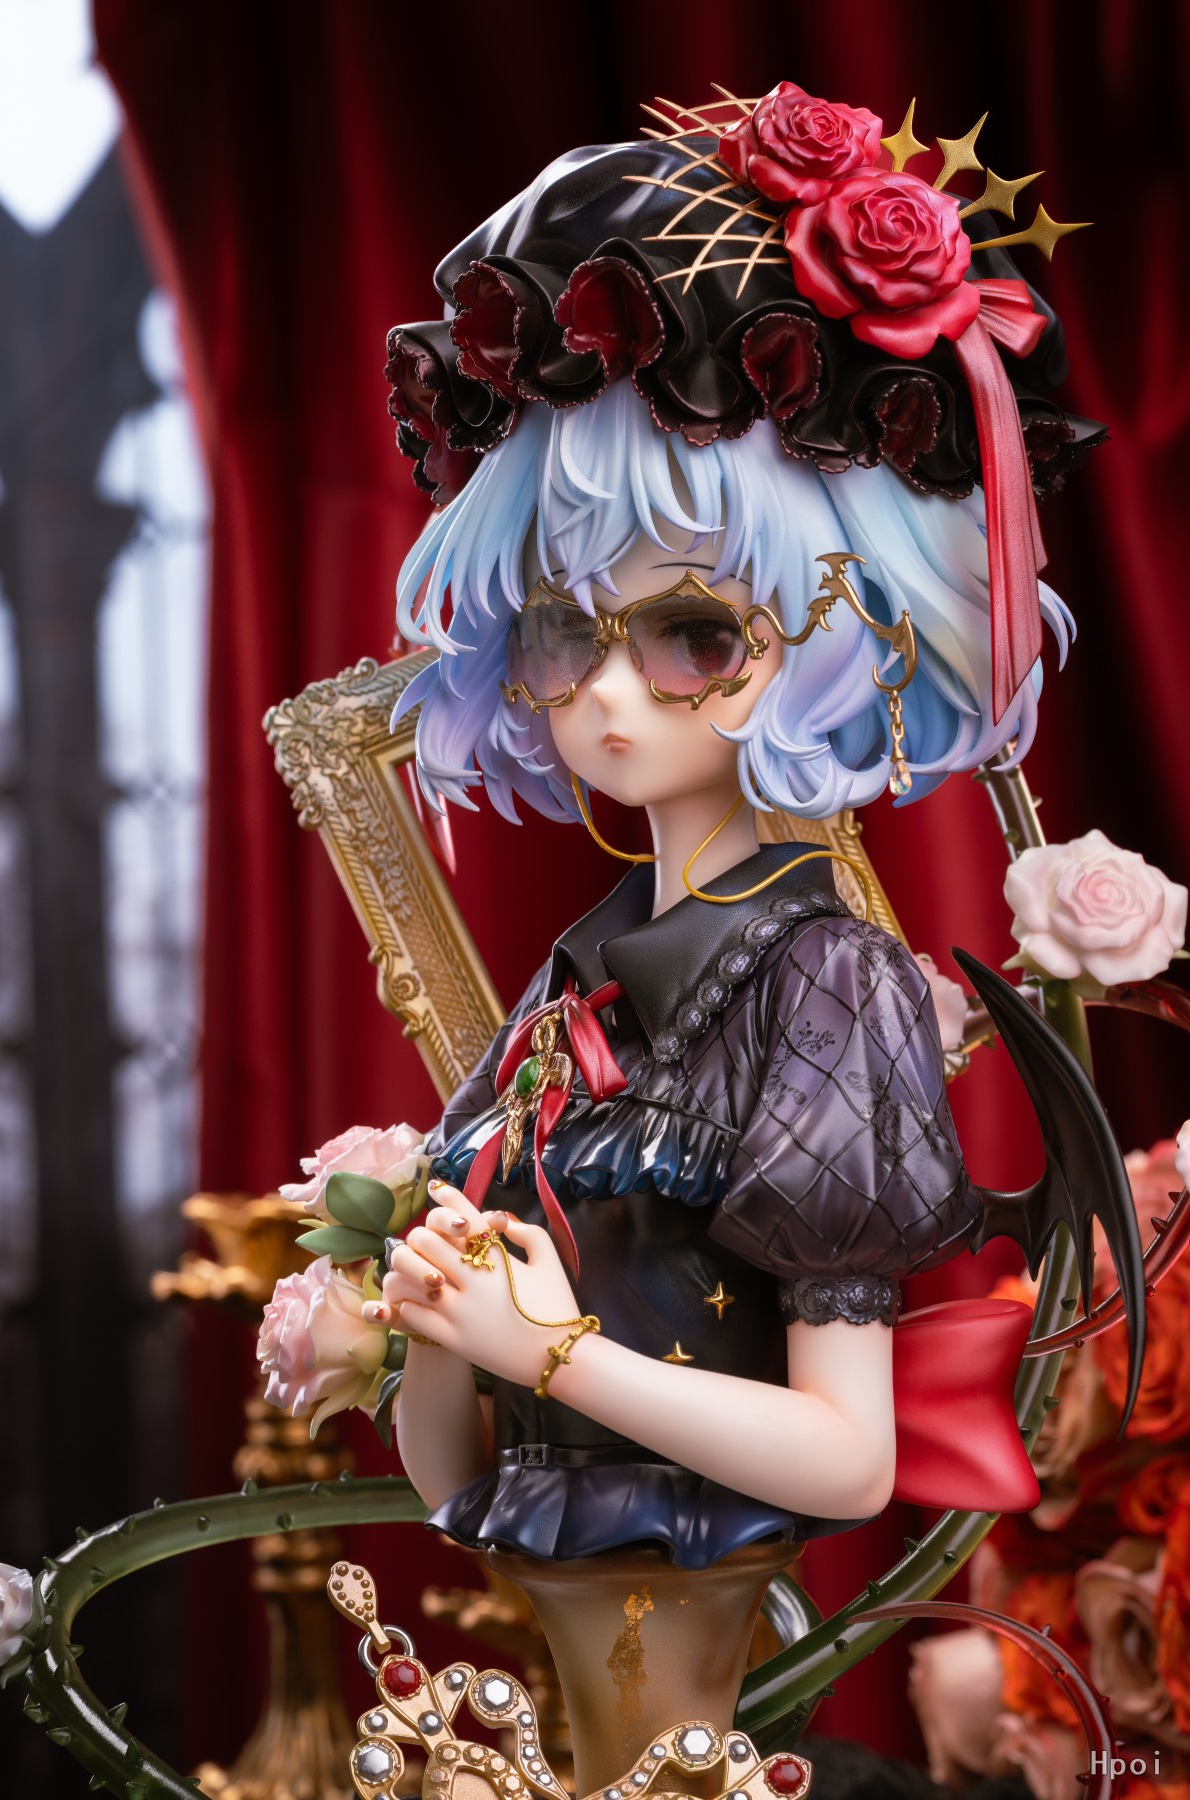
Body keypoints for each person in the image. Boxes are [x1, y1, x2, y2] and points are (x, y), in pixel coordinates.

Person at [356, 88, 1130, 1785]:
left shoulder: (824, 979)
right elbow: (450, 1478)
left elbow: (851, 1463)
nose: (608, 695)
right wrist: (434, 1320)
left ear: (844, 631)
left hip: (702, 1707)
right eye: (560, 631)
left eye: (693, 633)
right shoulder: (571, 987)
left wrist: (550, 1349)